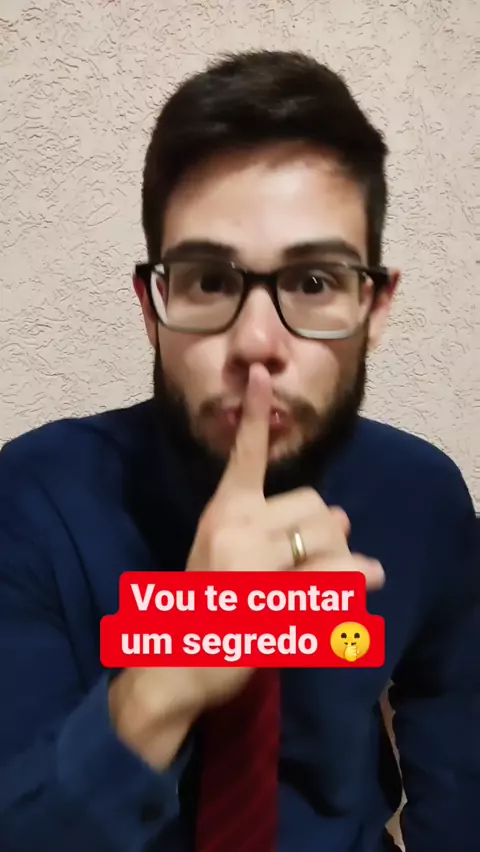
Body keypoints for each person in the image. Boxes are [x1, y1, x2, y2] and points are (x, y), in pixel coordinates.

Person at [0, 49, 477, 852]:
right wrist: (182, 659)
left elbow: (461, 762)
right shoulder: (31, 500)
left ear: (375, 309)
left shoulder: (423, 498)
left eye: (315, 282)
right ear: (152, 308)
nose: (258, 343)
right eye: (210, 282)